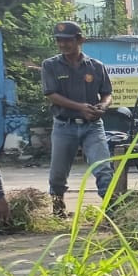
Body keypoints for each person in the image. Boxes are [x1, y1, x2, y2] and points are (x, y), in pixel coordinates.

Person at [42, 20, 116, 217]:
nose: (63, 44)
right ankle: (58, 209)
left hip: (92, 126)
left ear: (80, 39)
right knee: (58, 173)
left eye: (67, 40)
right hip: (64, 125)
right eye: (59, 40)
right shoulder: (50, 65)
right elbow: (51, 94)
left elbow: (107, 93)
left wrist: (102, 106)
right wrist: (80, 107)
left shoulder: (95, 66)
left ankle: (112, 211)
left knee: (103, 169)